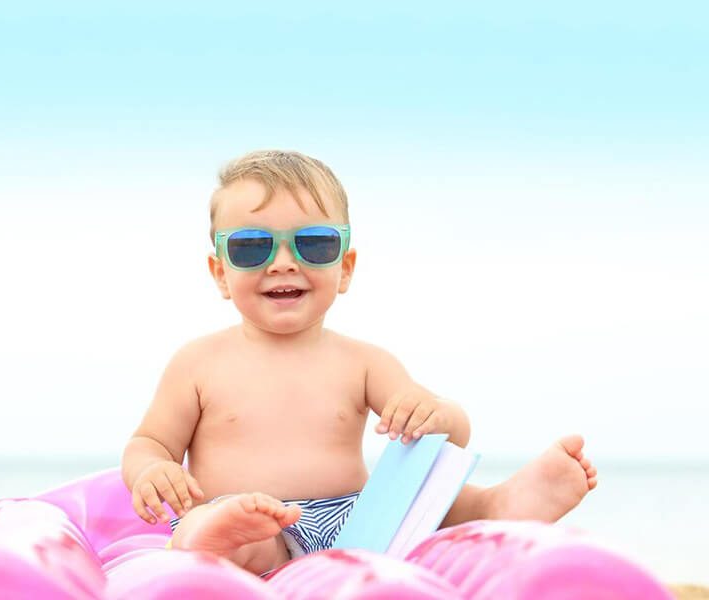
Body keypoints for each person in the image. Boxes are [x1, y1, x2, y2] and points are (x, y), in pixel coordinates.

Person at [121, 150, 598, 576]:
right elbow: (150, 442)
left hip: (355, 520)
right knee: (239, 532)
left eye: (313, 244)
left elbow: (446, 436)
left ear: (344, 268)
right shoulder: (198, 363)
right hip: (247, 517)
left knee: (428, 493)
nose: (283, 262)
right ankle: (214, 543)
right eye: (251, 246)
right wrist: (150, 471)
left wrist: (433, 413)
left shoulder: (364, 362)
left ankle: (501, 504)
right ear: (221, 273)